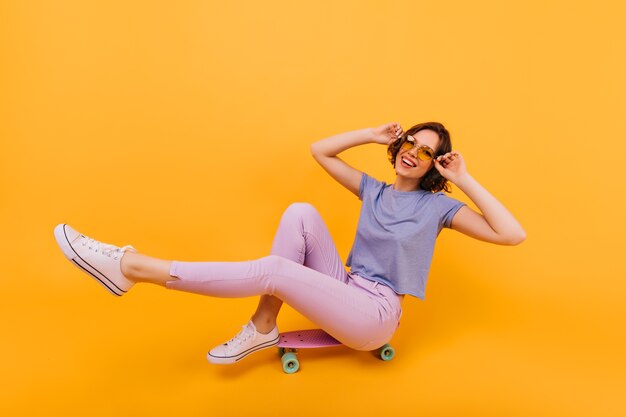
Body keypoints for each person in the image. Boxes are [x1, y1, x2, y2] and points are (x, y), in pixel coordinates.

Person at [53, 121, 526, 365]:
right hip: (347, 284)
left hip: (376, 316)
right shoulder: (375, 191)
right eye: (409, 142)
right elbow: (320, 150)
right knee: (300, 212)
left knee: (277, 271)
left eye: (427, 151)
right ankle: (262, 326)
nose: (413, 152)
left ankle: (133, 267)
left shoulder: (437, 209)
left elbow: (512, 234)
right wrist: (370, 133)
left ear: (434, 164)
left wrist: (464, 178)